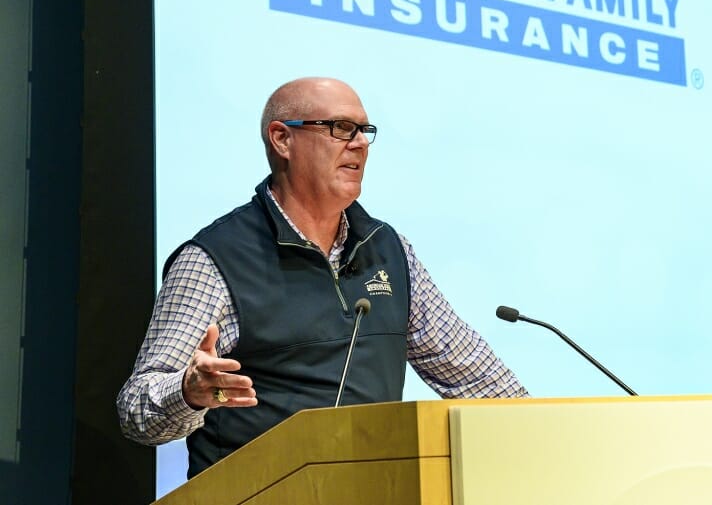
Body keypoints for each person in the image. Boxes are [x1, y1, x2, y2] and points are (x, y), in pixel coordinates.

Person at [117, 77, 527, 477]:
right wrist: (189, 393)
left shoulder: (388, 249)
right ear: (282, 140)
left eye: (364, 130)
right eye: (340, 128)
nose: (360, 142)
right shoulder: (214, 260)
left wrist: (547, 429)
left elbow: (473, 372)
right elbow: (137, 412)